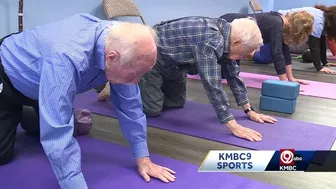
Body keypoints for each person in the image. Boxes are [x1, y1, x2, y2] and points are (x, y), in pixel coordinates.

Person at [0, 13, 176, 189]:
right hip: (8, 75)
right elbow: (58, 132)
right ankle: (20, 110)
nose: (136, 81)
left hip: (44, 85)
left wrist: (143, 159)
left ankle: (33, 112)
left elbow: (131, 106)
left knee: (64, 127)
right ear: (111, 57)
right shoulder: (66, 56)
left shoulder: (123, 42)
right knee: (4, 155)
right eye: (133, 75)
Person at [138, 16, 277, 142]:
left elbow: (233, 75)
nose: (246, 57)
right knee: (152, 110)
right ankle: (135, 83)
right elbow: (213, 86)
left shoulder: (227, 36)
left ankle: (155, 87)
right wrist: (233, 125)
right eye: (246, 52)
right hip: (153, 58)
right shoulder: (211, 41)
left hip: (175, 64)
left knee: (176, 104)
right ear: (237, 42)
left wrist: (249, 110)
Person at [221, 11, 315, 84]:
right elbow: (277, 53)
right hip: (227, 23)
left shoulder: (281, 23)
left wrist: (291, 78)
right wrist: (284, 82)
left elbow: (285, 52)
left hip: (230, 24)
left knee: (229, 75)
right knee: (225, 74)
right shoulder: (277, 23)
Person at [278, 5, 336, 74]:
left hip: (280, 24)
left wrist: (325, 62)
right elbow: (314, 44)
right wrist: (319, 67)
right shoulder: (319, 20)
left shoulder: (323, 19)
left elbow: (322, 42)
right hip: (278, 21)